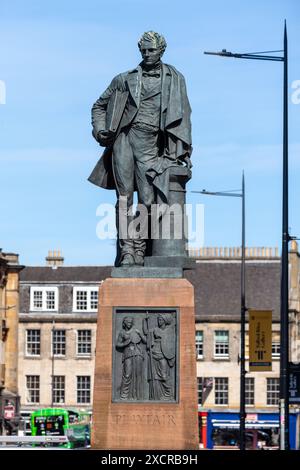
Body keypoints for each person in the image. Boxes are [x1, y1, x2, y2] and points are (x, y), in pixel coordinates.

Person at [90, 31, 192, 267]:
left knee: (147, 200)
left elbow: (185, 115)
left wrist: (183, 151)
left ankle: (139, 248)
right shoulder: (124, 79)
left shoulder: (174, 79)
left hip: (151, 144)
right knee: (124, 198)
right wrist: (101, 130)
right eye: (143, 51)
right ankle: (127, 251)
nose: (146, 55)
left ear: (161, 51)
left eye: (151, 50)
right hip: (124, 138)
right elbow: (99, 105)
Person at [143, 313, 176, 400]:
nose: (159, 321)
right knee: (154, 377)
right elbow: (146, 332)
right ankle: (156, 396)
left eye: (161, 320)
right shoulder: (155, 329)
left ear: (165, 321)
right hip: (153, 354)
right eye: (158, 320)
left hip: (163, 355)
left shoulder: (169, 331)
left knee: (163, 376)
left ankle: (169, 394)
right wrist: (145, 320)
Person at [115, 316, 146, 400]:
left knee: (137, 374)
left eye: (130, 322)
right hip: (128, 353)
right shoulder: (122, 333)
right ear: (124, 323)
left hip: (138, 353)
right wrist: (125, 343)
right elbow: (117, 344)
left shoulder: (136, 331)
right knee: (127, 374)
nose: (129, 324)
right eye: (127, 322)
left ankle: (138, 396)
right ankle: (124, 395)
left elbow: (145, 341)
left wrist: (140, 334)